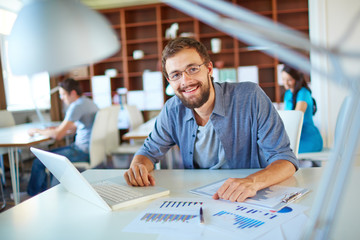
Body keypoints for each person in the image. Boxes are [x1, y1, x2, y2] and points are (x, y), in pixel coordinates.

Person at [124, 37, 299, 203]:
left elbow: (285, 161)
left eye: (192, 69)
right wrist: (138, 167)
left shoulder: (250, 96)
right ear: (169, 81)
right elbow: (148, 153)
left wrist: (252, 182)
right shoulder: (172, 109)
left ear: (208, 68)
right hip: (197, 198)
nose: (186, 81)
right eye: (176, 75)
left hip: (246, 199)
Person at [27, 78, 99, 196]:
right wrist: (57, 129)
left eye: (63, 95)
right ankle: (44, 194)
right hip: (90, 149)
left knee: (39, 160)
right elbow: (76, 126)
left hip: (81, 151)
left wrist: (38, 131)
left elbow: (57, 136)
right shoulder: (89, 102)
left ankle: (31, 196)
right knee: (47, 157)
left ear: (73, 93)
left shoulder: (76, 106)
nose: (61, 98)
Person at [281, 65, 323, 153]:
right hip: (296, 138)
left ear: (297, 79)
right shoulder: (288, 94)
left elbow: (296, 118)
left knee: (280, 151)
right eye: (283, 79)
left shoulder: (303, 93)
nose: (285, 83)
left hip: (308, 139)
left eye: (289, 79)